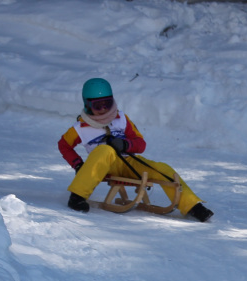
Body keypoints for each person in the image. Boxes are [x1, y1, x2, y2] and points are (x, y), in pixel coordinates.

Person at [58, 78, 214, 222]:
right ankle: (77, 196)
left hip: (128, 162)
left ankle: (193, 206)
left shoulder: (121, 119)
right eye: (98, 106)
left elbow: (141, 144)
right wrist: (78, 165)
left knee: (162, 168)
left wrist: (126, 145)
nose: (104, 109)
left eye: (107, 103)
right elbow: (64, 145)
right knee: (104, 150)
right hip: (102, 166)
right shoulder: (81, 128)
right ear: (87, 105)